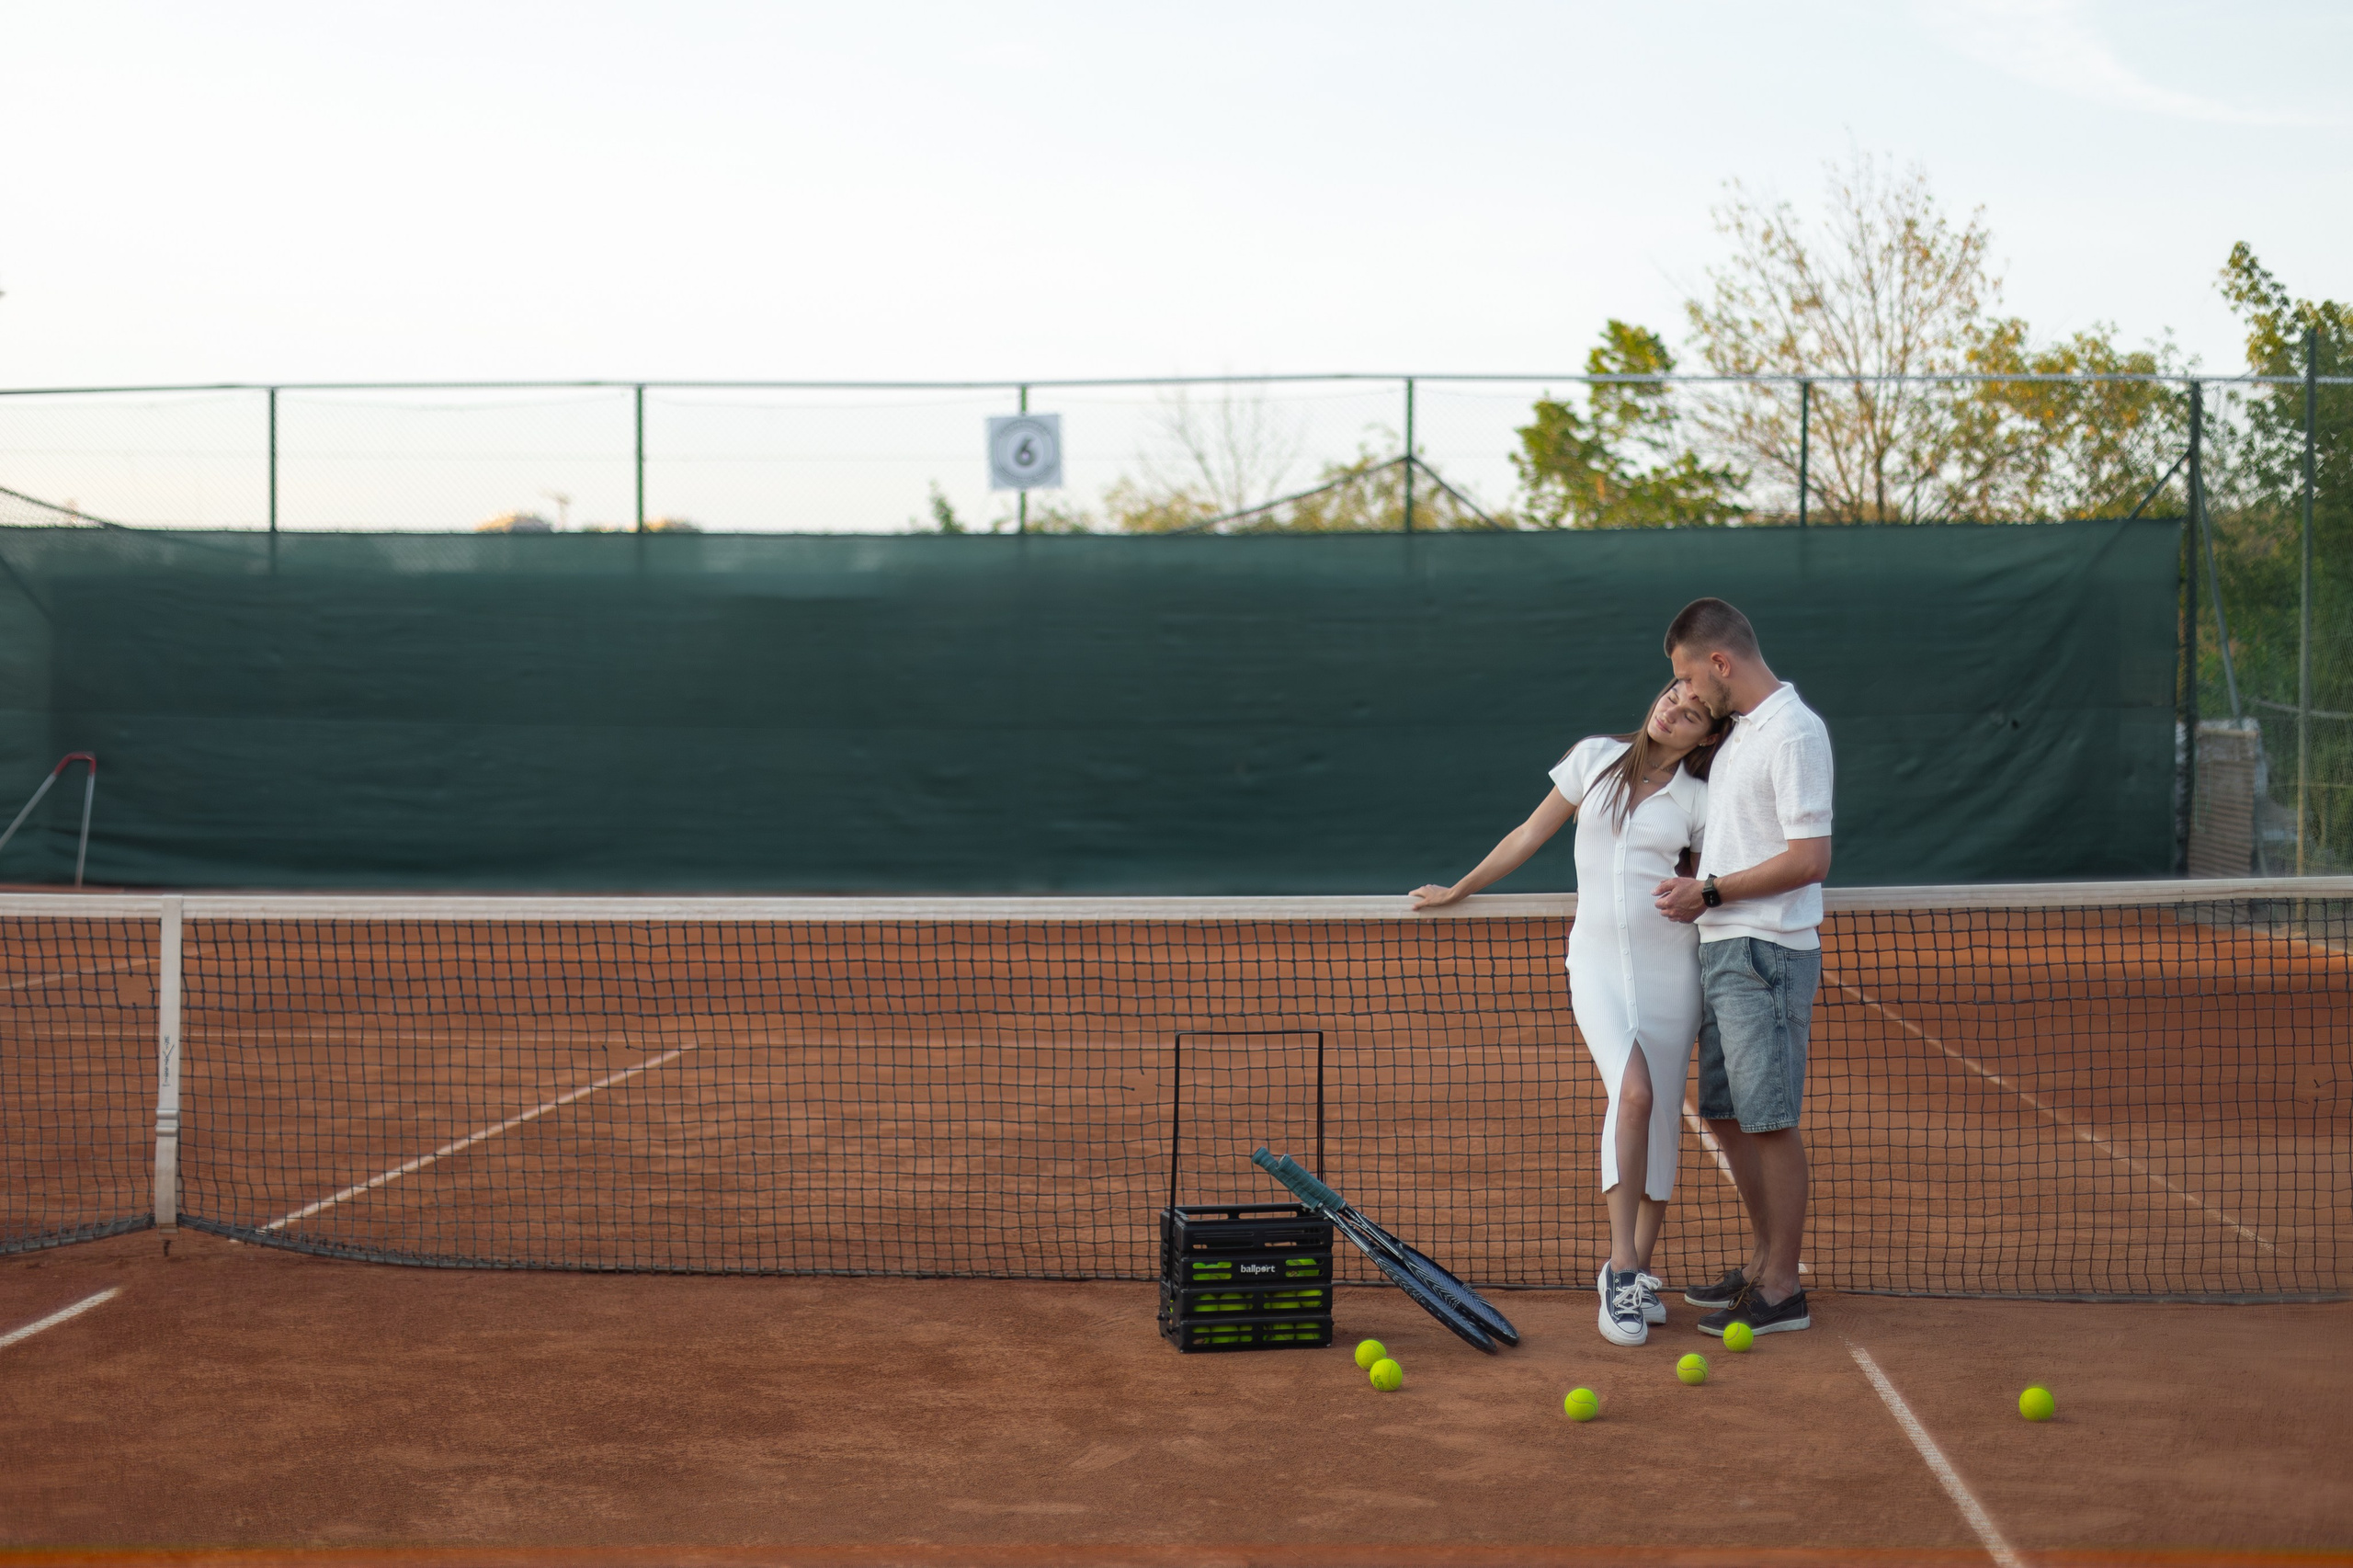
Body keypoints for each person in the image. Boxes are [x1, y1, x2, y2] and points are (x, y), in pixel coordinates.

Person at [1411, 681, 1728, 1346]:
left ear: (1705, 736)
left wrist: (1702, 893)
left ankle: (1637, 1275)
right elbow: (1529, 832)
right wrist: (1460, 888)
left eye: (1693, 713)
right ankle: (1619, 1267)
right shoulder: (1594, 760)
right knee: (1633, 1094)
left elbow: (1702, 885)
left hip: (1672, 969)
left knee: (1661, 1116)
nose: (1674, 709)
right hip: (1596, 966)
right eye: (1675, 695)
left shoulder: (1698, 799)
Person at [1652, 597, 1834, 1338]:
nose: (1687, 692)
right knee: (1728, 1117)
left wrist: (1710, 891)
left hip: (1766, 953)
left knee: (1768, 1120)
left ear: (1720, 663)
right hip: (1724, 949)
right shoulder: (1740, 736)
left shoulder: (1793, 731)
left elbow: (1809, 858)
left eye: (1690, 676)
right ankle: (1763, 1263)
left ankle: (1782, 1288)